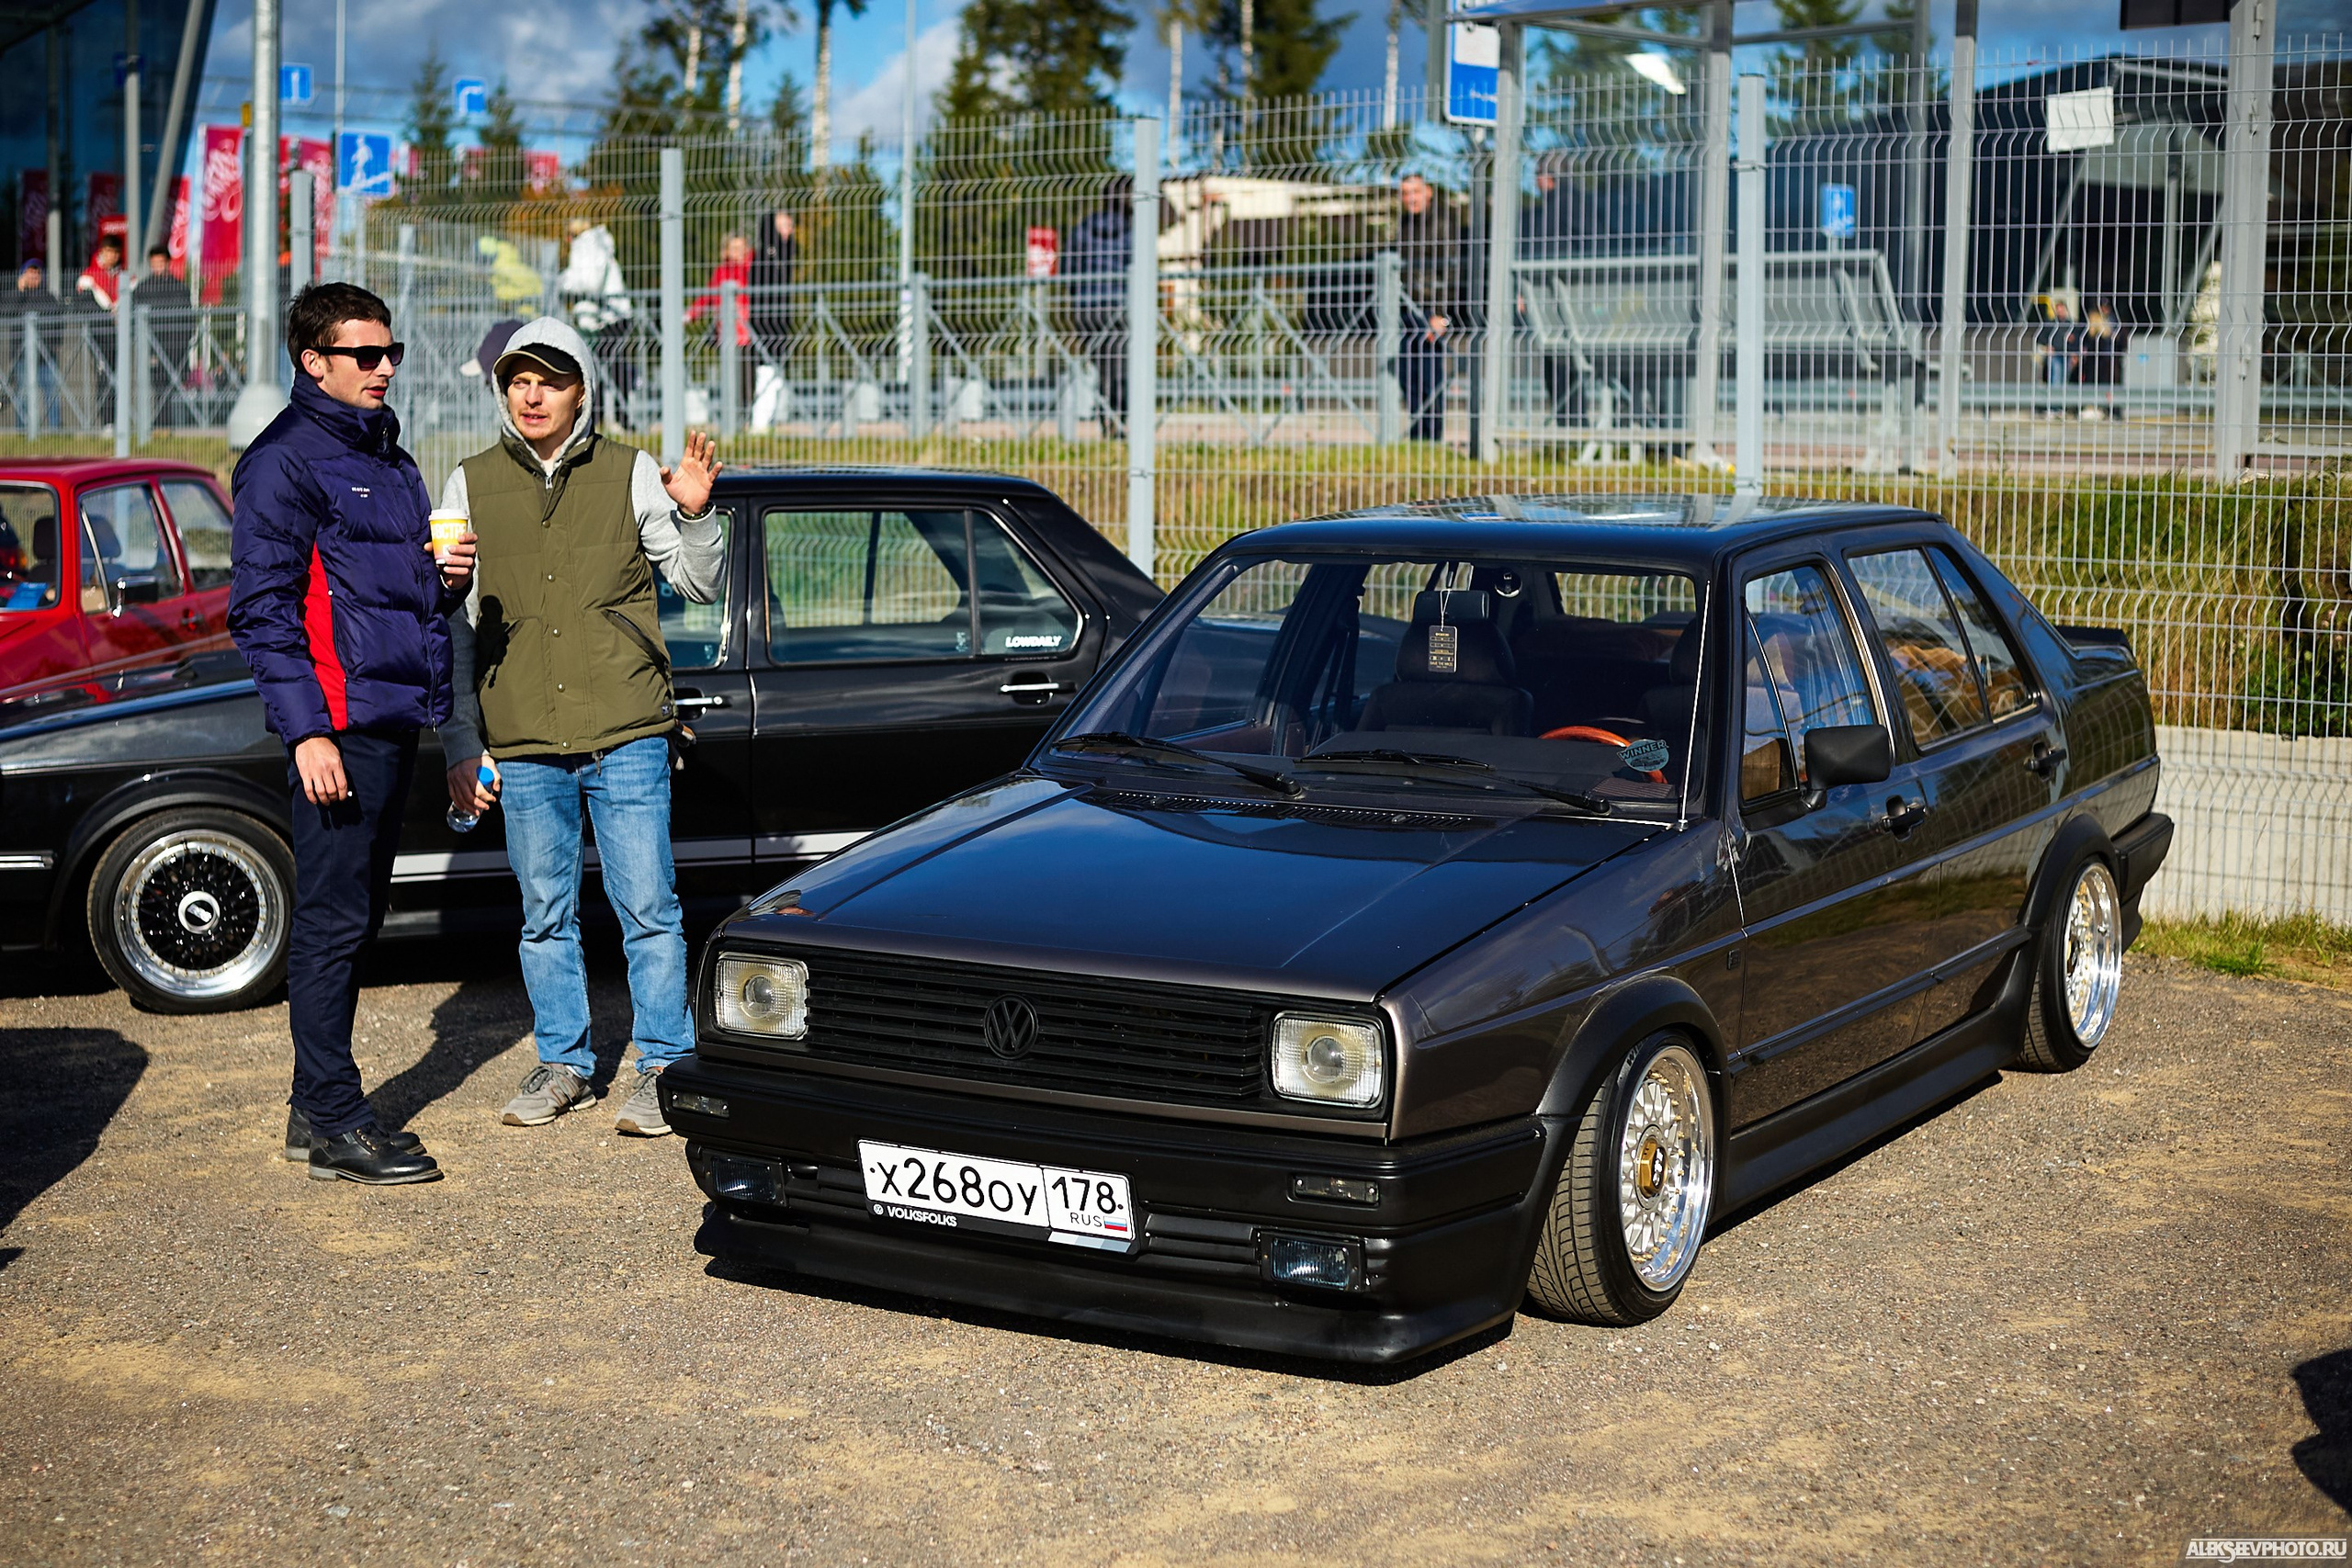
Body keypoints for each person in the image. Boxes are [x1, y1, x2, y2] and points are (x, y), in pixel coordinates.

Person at [435, 316, 726, 1138]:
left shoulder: (633, 474)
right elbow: (449, 626)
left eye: (550, 379)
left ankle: (663, 1061)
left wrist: (698, 517)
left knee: (648, 906)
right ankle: (565, 1061)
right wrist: (463, 736)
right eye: (518, 379)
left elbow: (696, 585)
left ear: (581, 392)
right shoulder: (467, 482)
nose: (532, 393)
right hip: (524, 736)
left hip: (628, 727)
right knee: (543, 912)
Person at [227, 281, 474, 1185]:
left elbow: (394, 599)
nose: (383, 368)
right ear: (313, 360)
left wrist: (443, 578)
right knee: (333, 921)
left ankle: (310, 1109)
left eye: (390, 353)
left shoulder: (389, 456)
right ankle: (335, 1119)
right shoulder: (284, 462)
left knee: (357, 915)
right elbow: (261, 611)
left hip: (386, 720)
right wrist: (307, 734)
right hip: (336, 729)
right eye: (364, 355)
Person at [1395, 173, 1474, 444]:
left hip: (1432, 308)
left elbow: (1451, 271)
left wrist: (1441, 314)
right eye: (1405, 193)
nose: (1410, 198)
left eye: (1415, 191)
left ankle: (1432, 436)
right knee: (1408, 374)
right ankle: (1418, 435)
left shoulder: (1442, 221)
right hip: (1409, 308)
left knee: (1429, 375)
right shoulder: (1405, 223)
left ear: (1428, 192)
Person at [1520, 152, 1582, 429]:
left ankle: (1571, 426)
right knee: (1565, 364)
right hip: (1562, 296)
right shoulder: (1569, 203)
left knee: (1562, 364)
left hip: (1561, 298)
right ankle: (1570, 426)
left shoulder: (1560, 207)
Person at [1065, 179, 1132, 427]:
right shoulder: (1130, 231)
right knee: (1121, 367)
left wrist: (1079, 296)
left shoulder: (1084, 227)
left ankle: (1107, 419)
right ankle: (1119, 421)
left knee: (1102, 367)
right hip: (1117, 306)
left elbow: (1068, 267)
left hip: (1087, 307)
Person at [560, 219, 636, 414]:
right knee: (607, 368)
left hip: (610, 315)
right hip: (611, 314)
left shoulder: (587, 247)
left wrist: (566, 285)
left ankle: (607, 416)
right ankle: (607, 416)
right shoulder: (596, 245)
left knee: (603, 369)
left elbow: (590, 283)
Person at [686, 234, 754, 417]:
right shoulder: (722, 272)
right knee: (730, 377)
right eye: (734, 249)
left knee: (747, 378)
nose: (739, 253)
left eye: (742, 248)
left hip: (747, 333)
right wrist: (690, 314)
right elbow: (708, 297)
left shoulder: (752, 268)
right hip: (726, 332)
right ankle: (732, 415)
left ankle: (746, 415)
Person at [748, 209, 797, 429]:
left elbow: (791, 249)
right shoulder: (763, 254)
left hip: (779, 321)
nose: (790, 229)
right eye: (784, 225)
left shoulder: (783, 253)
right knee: (765, 372)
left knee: (774, 374)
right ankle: (759, 424)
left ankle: (764, 423)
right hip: (764, 321)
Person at [138, 244, 194, 428]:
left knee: (173, 385)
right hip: (152, 346)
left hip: (175, 345)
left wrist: (184, 343)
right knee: (157, 384)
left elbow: (188, 319)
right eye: (154, 263)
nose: (158, 266)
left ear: (168, 263)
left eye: (161, 262)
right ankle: (161, 423)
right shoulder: (143, 289)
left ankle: (169, 423)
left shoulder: (179, 288)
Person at [2034, 297, 2082, 417]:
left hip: (2066, 355)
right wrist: (2047, 347)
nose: (2060, 312)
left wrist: (2074, 354)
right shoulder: (2050, 324)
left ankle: (2060, 407)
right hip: (2055, 355)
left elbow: (2077, 341)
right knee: (2054, 379)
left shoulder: (2070, 324)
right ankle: (2053, 407)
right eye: (2058, 309)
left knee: (2063, 380)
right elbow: (2040, 338)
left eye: (2061, 309)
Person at [76, 233, 124, 310]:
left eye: (116, 252)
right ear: (101, 251)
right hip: (95, 319)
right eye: (109, 251)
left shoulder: (124, 275)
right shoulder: (88, 275)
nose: (113, 255)